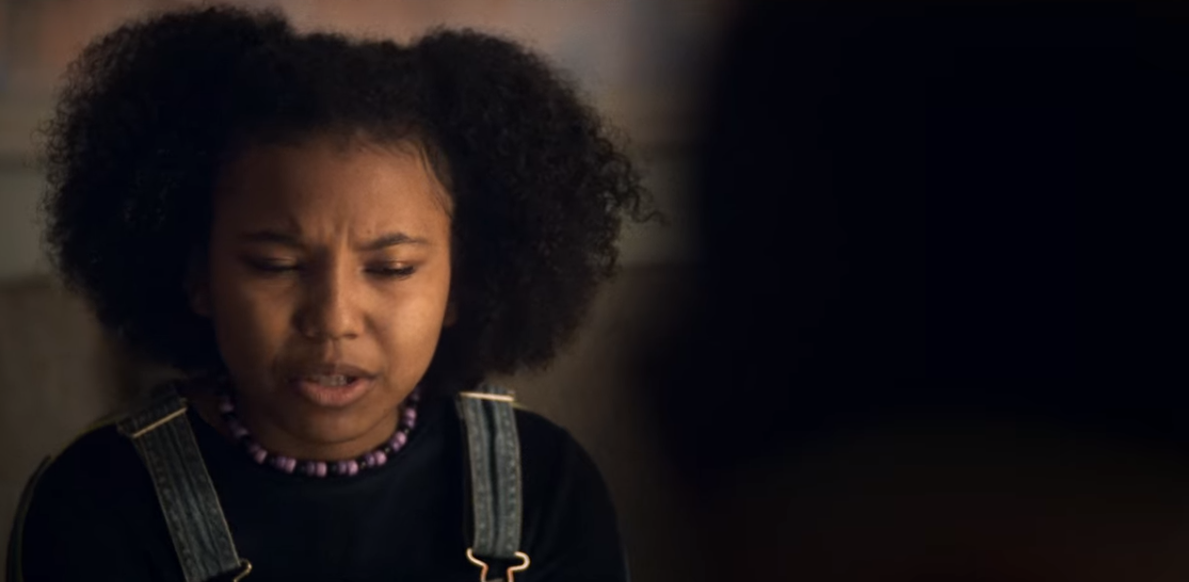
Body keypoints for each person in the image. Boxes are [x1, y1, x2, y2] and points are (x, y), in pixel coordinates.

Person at [6, 5, 649, 581]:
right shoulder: (99, 501)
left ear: (463, 282)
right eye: (276, 264)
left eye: (392, 268)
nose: (333, 317)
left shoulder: (544, 486)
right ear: (198, 275)